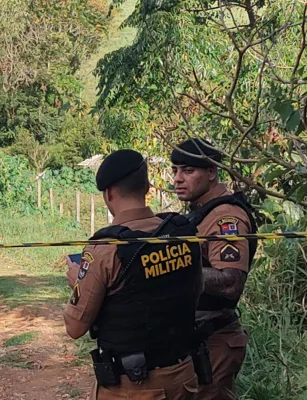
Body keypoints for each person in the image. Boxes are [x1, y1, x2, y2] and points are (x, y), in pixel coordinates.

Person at [64, 149, 203, 400]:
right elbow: (195, 292)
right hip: (185, 377)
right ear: (147, 187)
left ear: (108, 193)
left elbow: (75, 327)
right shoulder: (183, 232)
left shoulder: (105, 248)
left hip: (134, 388)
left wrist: (78, 282)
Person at [170, 138, 258, 400]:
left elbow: (231, 282)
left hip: (215, 340)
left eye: (188, 170)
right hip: (197, 338)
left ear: (211, 172)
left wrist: (169, 270)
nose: (177, 179)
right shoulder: (200, 212)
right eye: (175, 170)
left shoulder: (225, 216)